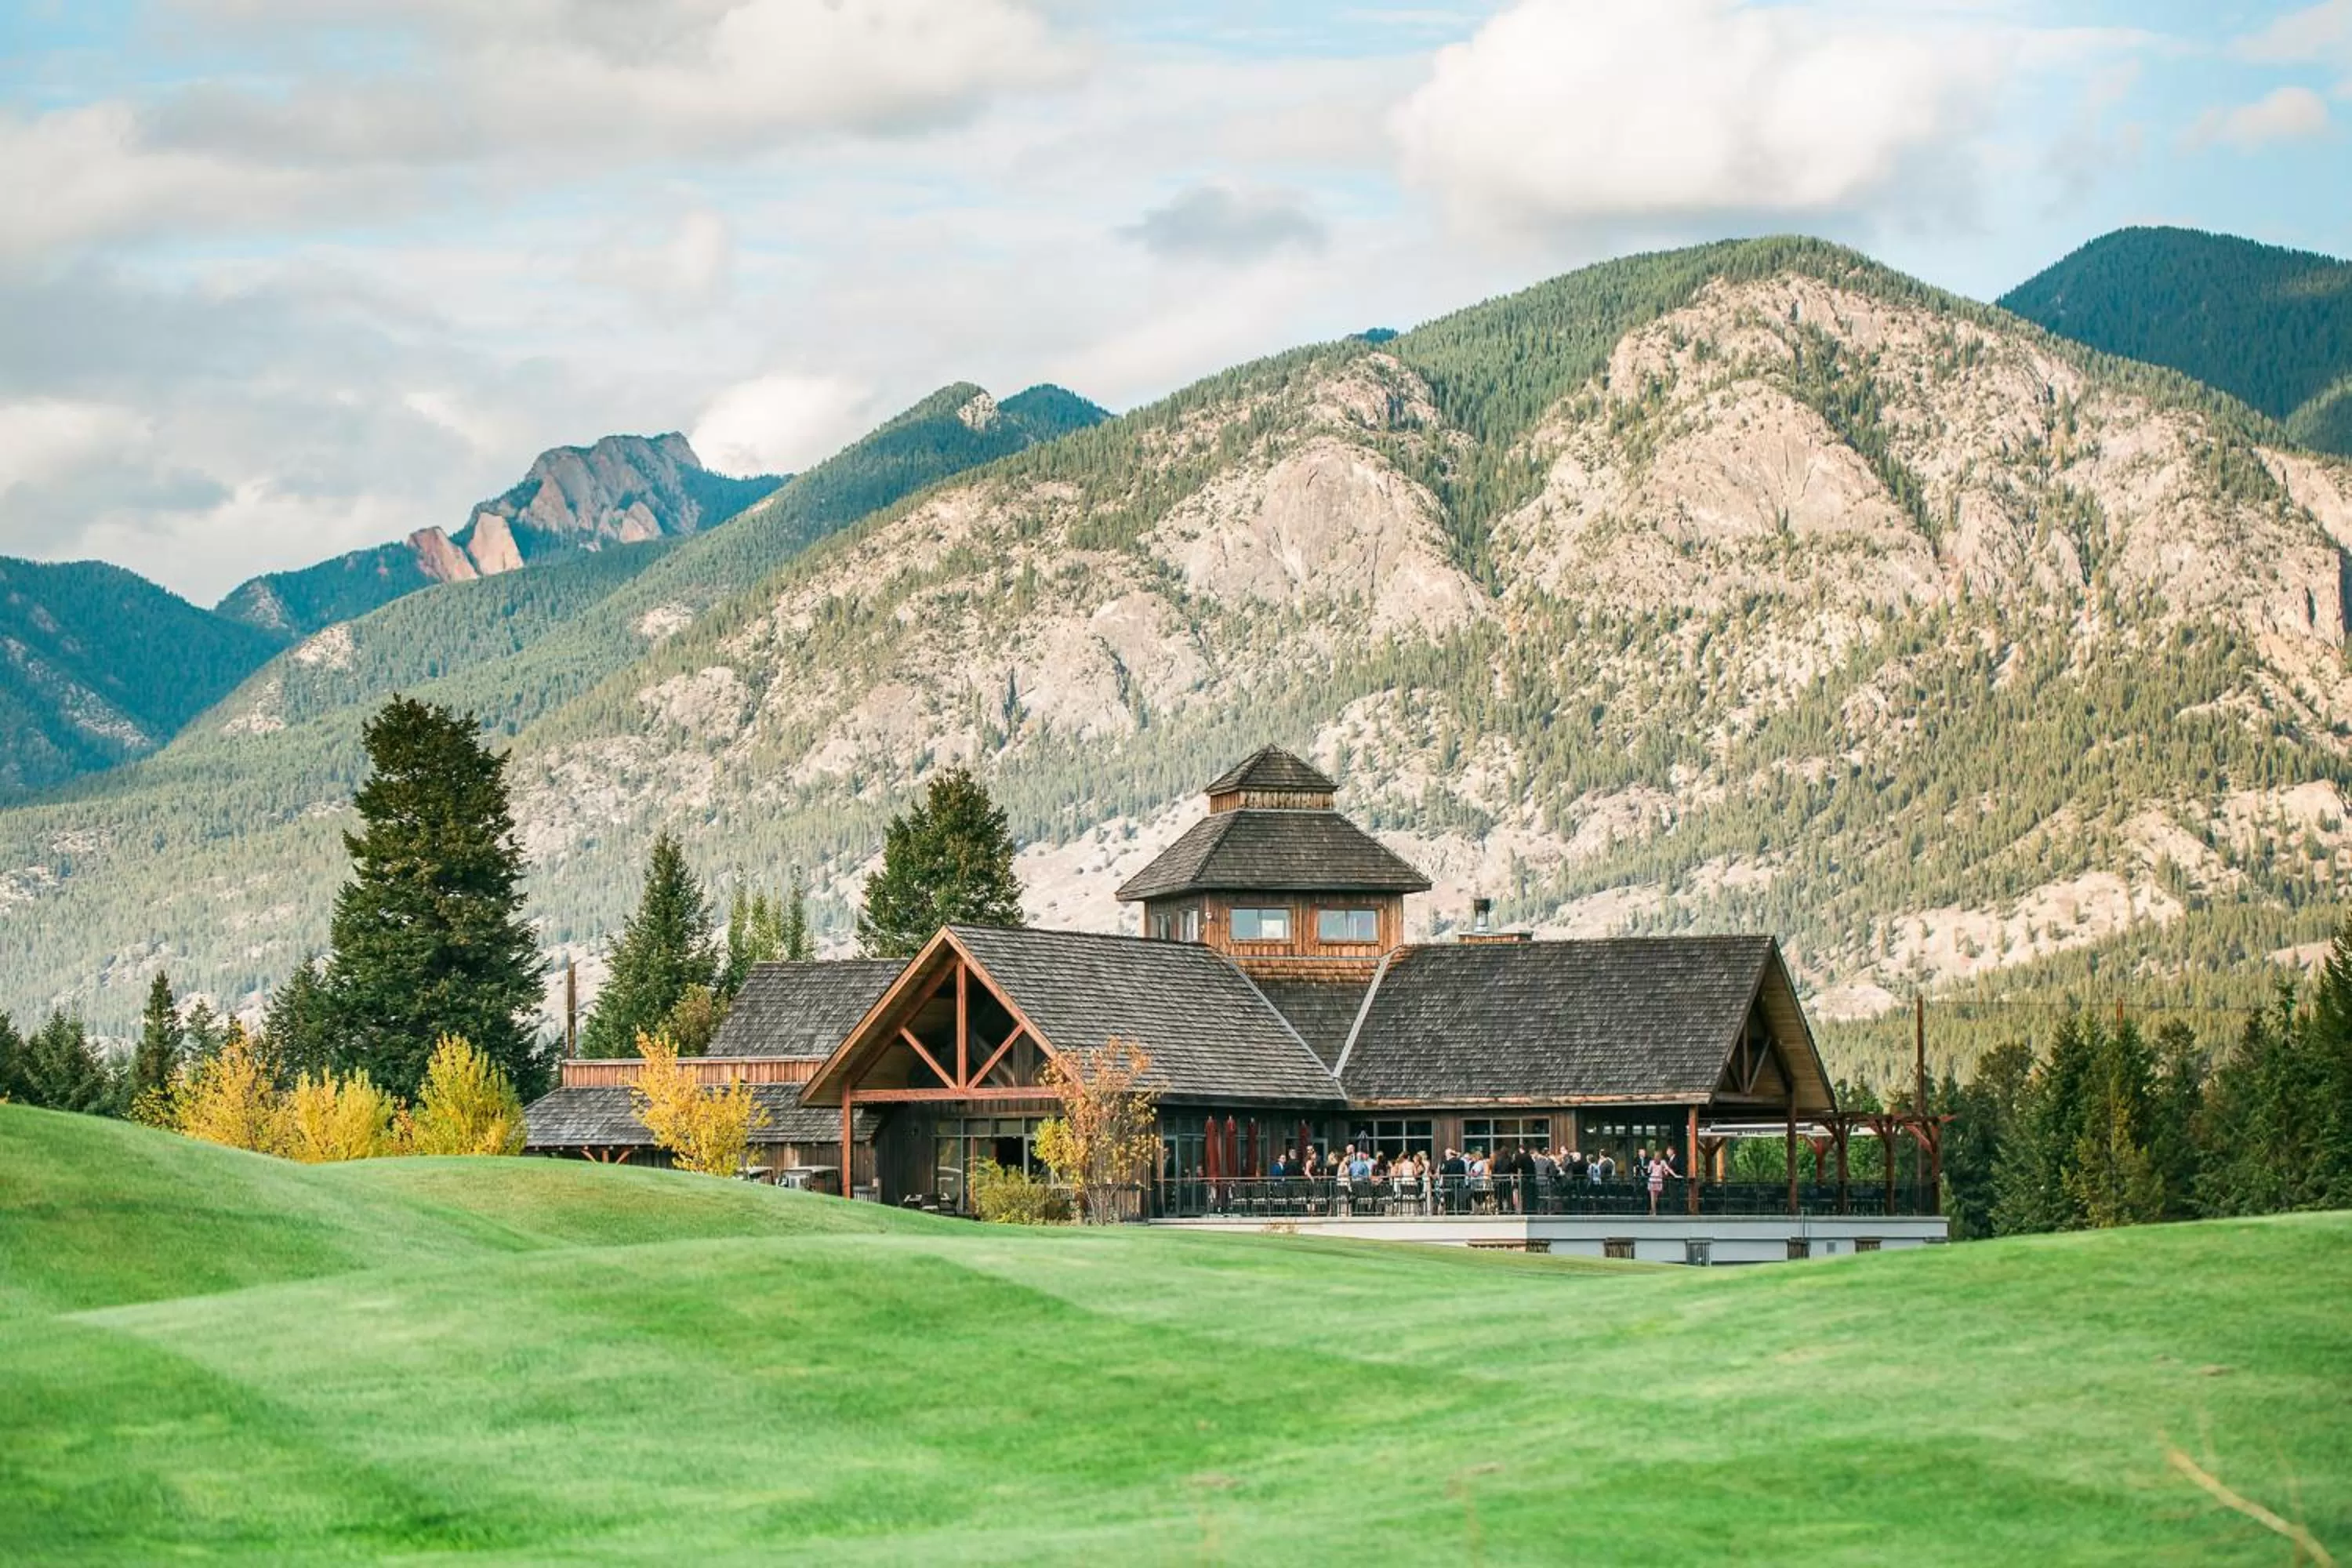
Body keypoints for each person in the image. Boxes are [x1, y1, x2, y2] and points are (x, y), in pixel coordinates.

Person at [1647, 1145, 1676, 1216]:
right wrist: (1675, 1175)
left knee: (1653, 1197)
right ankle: (1654, 1211)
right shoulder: (1662, 1162)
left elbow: (1648, 1171)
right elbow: (1668, 1169)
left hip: (1653, 1179)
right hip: (1658, 1180)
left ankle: (1653, 1211)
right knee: (1655, 1197)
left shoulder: (1652, 1162)